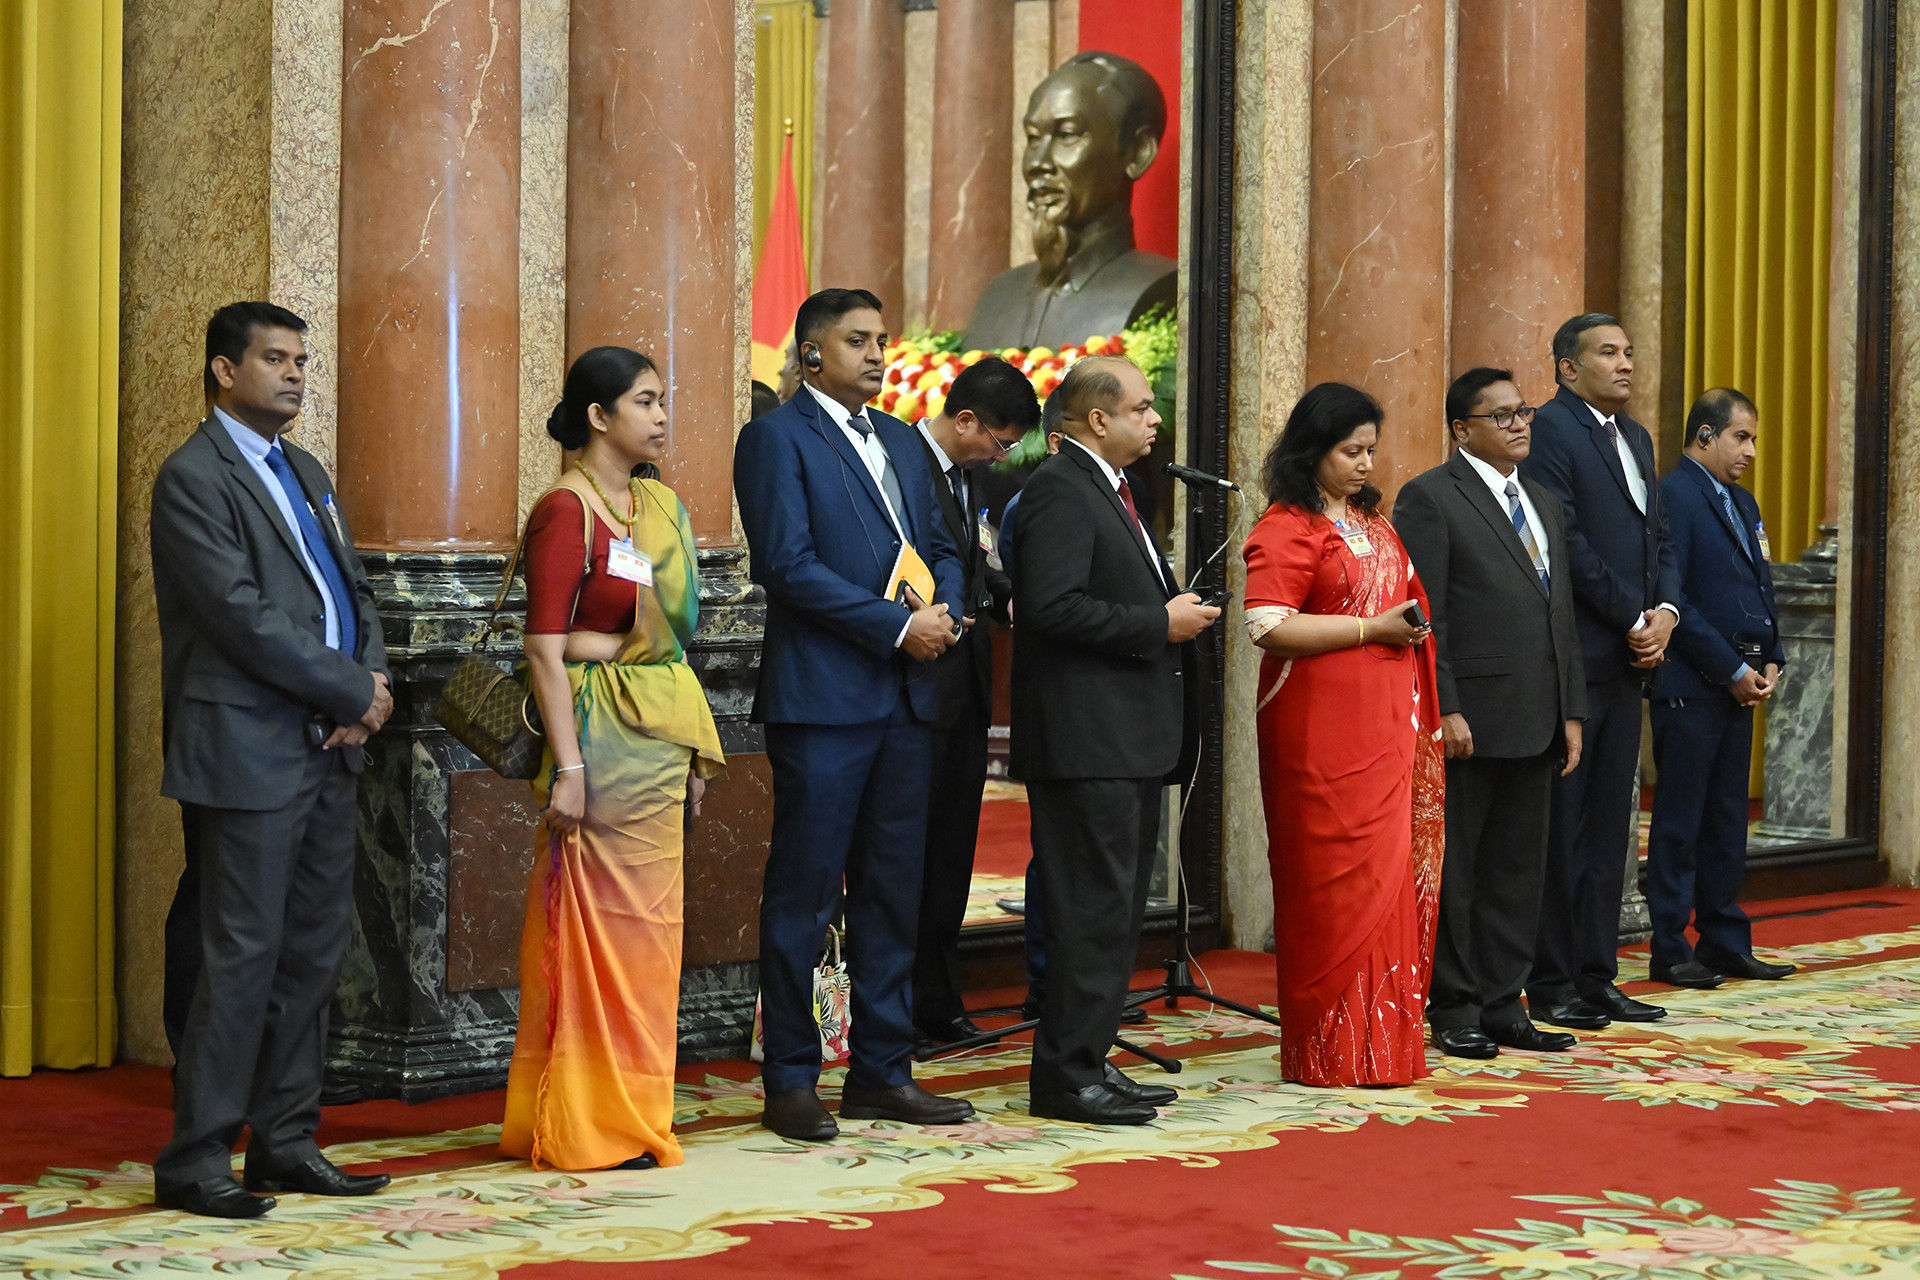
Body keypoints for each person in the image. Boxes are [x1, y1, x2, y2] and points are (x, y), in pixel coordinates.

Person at [149, 302, 394, 1218]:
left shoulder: (308, 469)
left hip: (330, 749)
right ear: (223, 370)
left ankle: (285, 1143)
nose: (295, 375)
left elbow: (352, 587)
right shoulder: (193, 477)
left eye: (301, 359)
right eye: (274, 360)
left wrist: (370, 679)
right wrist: (346, 690)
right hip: (247, 749)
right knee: (239, 956)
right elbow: (239, 614)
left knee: (311, 954)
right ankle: (198, 1157)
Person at [734, 288, 973, 1142]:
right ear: (810, 352)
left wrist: (941, 605)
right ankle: (792, 1077)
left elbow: (940, 543)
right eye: (857, 340)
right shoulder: (774, 439)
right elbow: (787, 565)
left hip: (908, 700)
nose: (876, 355)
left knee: (892, 892)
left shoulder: (906, 440)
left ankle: (881, 1071)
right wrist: (897, 625)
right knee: (804, 892)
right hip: (826, 699)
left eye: (882, 341)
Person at [498, 346, 725, 1171]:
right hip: (597, 740)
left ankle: (636, 1114)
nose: (662, 415)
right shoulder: (566, 507)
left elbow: (673, 640)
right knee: (595, 935)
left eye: (664, 400)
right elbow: (547, 650)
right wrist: (569, 768)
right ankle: (590, 1123)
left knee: (652, 939)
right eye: (645, 401)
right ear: (598, 416)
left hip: (660, 733)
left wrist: (696, 756)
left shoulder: (657, 504)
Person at [1008, 354, 1214, 1125]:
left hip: (1123, 739)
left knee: (1115, 912)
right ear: (1098, 418)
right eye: (1143, 407)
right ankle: (1064, 1077)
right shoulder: (1061, 491)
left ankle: (1088, 1059)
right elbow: (1051, 608)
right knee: (1088, 911)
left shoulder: (1108, 488)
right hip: (1085, 740)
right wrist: (1160, 622)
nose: (1155, 418)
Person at [1241, 382, 1442, 1087]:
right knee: (1332, 887)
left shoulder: (1375, 523)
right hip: (1319, 736)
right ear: (1312, 449)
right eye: (1350, 451)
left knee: (1388, 880)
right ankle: (1326, 1053)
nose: (1364, 464)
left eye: (1370, 451)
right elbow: (1266, 624)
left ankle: (1383, 1052)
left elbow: (1406, 603)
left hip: (1388, 725)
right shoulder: (1287, 527)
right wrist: (1372, 629)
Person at [1393, 369, 1587, 1060]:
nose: (1519, 424)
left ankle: (1507, 1003)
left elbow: (1557, 613)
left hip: (1538, 714)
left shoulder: (1543, 500)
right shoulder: (1430, 498)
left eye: (1523, 411)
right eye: (1501, 415)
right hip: (1470, 718)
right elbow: (1428, 614)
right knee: (1461, 871)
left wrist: (1572, 709)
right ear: (1461, 429)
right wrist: (1446, 708)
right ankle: (1456, 1006)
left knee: (1517, 870)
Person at [1519, 314, 1681, 1030]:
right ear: (1566, 368)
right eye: (1608, 354)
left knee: (1612, 826)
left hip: (1630, 659)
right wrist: (1633, 617)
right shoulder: (1551, 432)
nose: (1625, 364)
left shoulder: (1638, 437)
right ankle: (1550, 980)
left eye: (1629, 352)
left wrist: (1667, 612)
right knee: (1564, 827)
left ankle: (1597, 975)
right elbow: (1568, 543)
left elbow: (1659, 537)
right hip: (1579, 657)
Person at [1645, 389, 1796, 988]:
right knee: (1680, 821)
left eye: (1754, 439)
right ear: (1705, 435)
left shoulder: (1742, 500)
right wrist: (1730, 670)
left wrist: (1771, 658)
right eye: (1741, 437)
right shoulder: (1672, 496)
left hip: (1741, 684)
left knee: (1729, 820)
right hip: (1691, 682)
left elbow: (1760, 585)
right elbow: (1672, 598)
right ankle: (1669, 945)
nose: (1751, 451)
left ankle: (1724, 938)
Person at [909, 358, 1038, 1045]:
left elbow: (982, 558)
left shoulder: (976, 480)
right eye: (1000, 441)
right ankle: (900, 1002)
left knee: (954, 850)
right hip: (915, 685)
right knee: (910, 854)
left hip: (968, 688)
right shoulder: (902, 464)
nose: (1002, 454)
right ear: (965, 421)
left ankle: (938, 998)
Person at [963, 52, 1177, 350]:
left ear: (1137, 152)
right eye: (1033, 137)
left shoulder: (1165, 290)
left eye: (1067, 135)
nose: (1037, 162)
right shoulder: (998, 296)